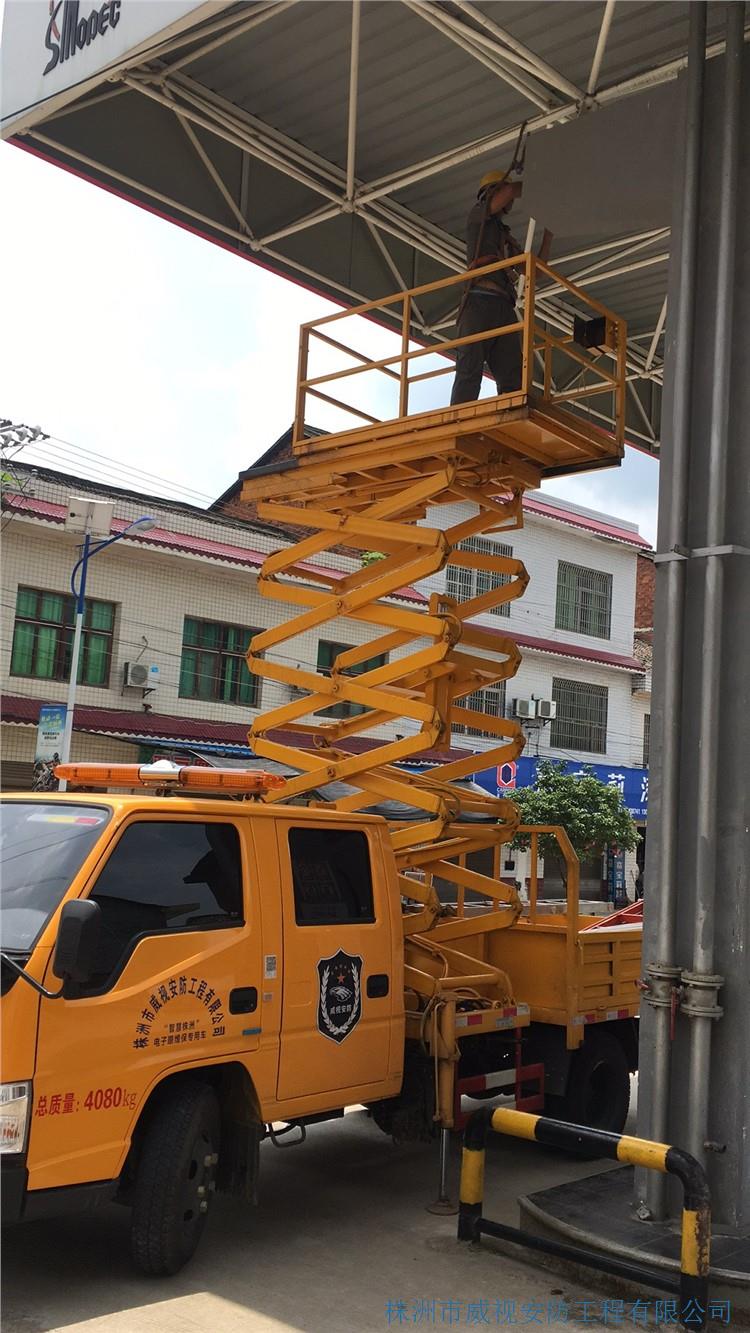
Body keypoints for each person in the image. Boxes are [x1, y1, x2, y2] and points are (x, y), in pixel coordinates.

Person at [450, 170, 550, 405]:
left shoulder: (503, 236)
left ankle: (511, 415)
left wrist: (548, 235)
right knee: (469, 368)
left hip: (502, 307)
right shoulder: (477, 216)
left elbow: (535, 272)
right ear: (489, 193)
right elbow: (510, 191)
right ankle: (458, 419)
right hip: (479, 301)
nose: (510, 200)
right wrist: (541, 185)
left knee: (512, 376)